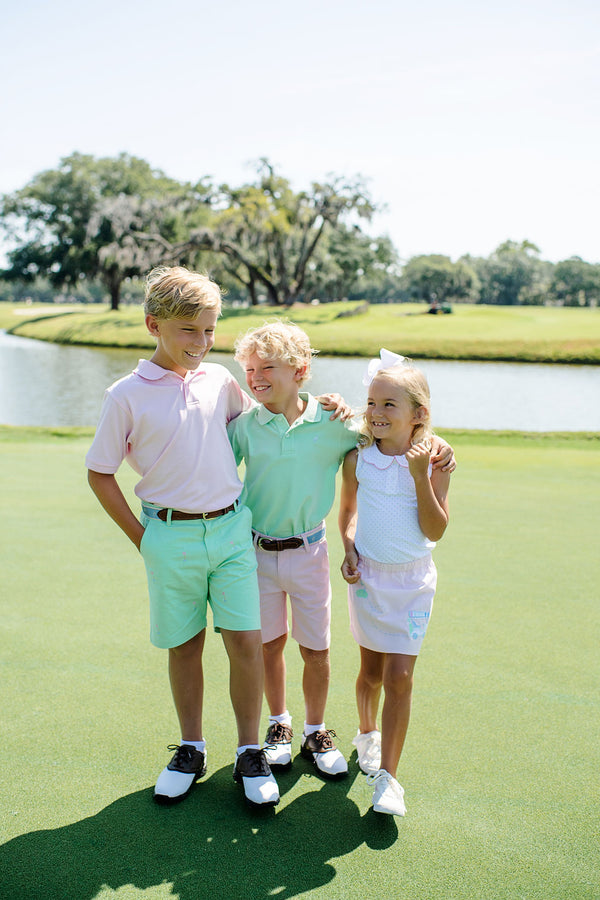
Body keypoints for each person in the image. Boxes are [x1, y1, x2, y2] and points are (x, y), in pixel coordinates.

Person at [85, 266, 280, 809]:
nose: (202, 341)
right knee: (185, 645)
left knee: (246, 642)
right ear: (155, 325)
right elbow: (100, 472)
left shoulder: (219, 379)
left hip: (231, 531)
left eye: (210, 330)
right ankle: (191, 747)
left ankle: (249, 751)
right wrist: (142, 538)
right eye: (189, 330)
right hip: (169, 536)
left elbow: (260, 425)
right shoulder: (125, 395)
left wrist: (320, 409)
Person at [229, 327, 455, 782]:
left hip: (309, 551)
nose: (256, 377)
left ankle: (315, 730)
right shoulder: (243, 427)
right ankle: (279, 724)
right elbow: (213, 471)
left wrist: (437, 445)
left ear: (300, 371)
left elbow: (384, 429)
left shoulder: (338, 425)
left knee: (316, 649)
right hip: (256, 553)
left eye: (267, 367)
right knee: (270, 645)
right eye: (249, 369)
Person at [338, 348, 451, 817]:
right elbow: (348, 513)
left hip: (414, 583)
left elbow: (435, 529)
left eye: (389, 404)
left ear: (418, 414)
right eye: (371, 402)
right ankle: (366, 734)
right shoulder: (358, 458)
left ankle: (389, 778)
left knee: (399, 677)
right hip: (368, 579)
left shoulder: (436, 458)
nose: (376, 412)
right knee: (370, 672)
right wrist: (348, 547)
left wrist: (420, 476)